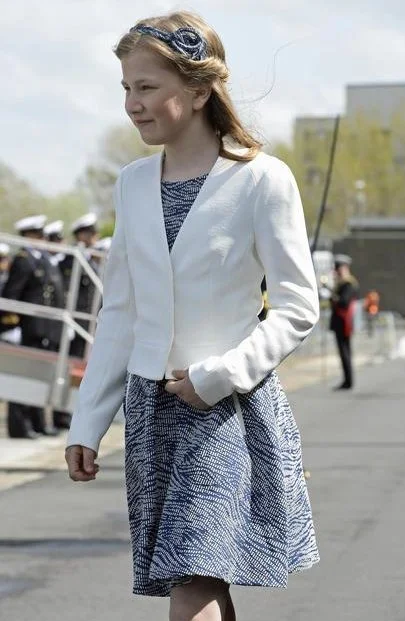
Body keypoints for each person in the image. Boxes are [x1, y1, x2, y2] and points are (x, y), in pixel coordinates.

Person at [65, 11, 320, 621]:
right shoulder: (131, 184)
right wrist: (86, 422)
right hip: (150, 413)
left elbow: (296, 306)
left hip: (227, 409)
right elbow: (121, 312)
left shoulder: (263, 179)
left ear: (200, 89)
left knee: (192, 583)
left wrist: (219, 376)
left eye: (148, 87)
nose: (132, 103)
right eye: (126, 87)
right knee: (199, 579)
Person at [1, 215, 65, 438]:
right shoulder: (23, 259)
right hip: (28, 327)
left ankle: (37, 422)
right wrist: (12, 325)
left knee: (39, 378)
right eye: (37, 235)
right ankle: (20, 426)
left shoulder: (41, 258)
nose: (41, 238)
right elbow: (11, 295)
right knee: (24, 379)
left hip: (43, 328)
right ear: (27, 236)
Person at [59, 213, 100, 358]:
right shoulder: (71, 260)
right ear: (82, 235)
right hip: (76, 318)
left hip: (85, 319)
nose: (96, 236)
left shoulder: (86, 258)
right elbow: (67, 289)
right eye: (92, 233)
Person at [329, 254, 359, 390]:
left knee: (345, 352)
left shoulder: (348, 283)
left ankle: (348, 381)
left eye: (339, 268)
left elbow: (344, 302)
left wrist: (333, 297)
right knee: (343, 352)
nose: (337, 271)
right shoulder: (340, 283)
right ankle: (347, 379)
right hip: (340, 322)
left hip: (344, 322)